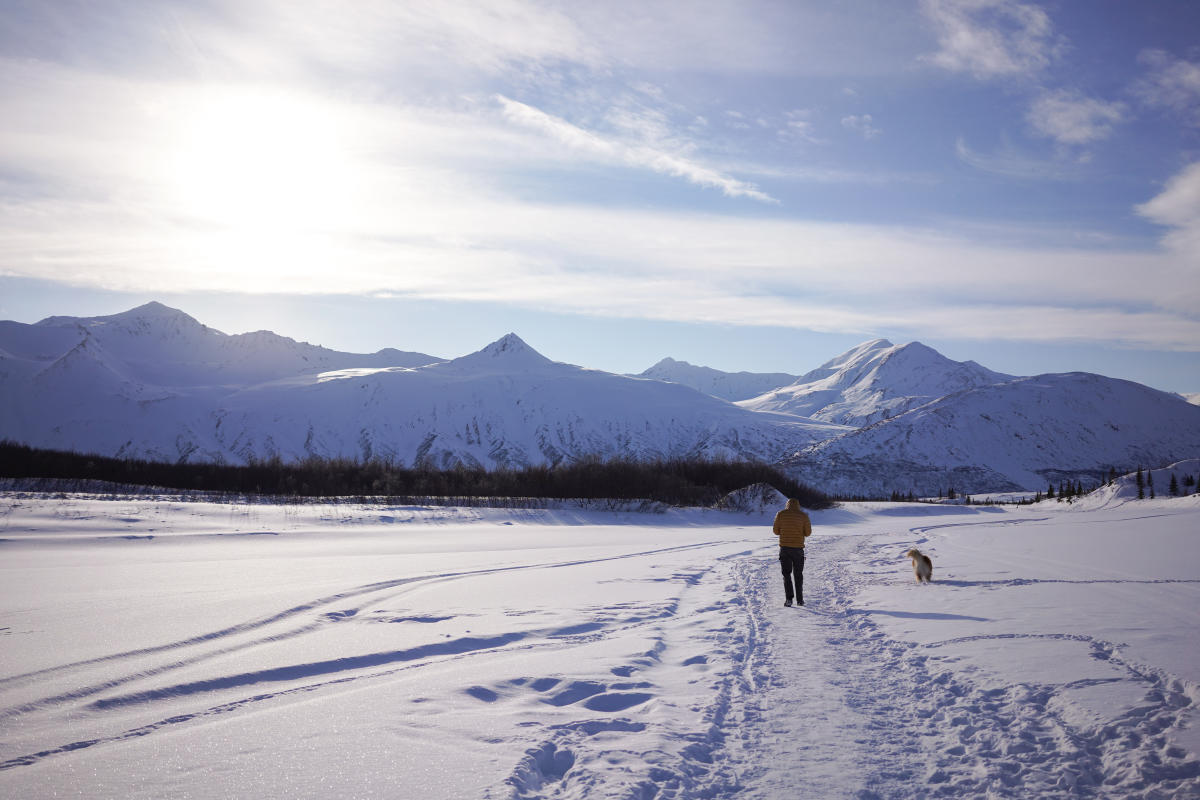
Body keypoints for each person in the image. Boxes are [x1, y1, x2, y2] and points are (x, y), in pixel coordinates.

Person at [773, 498, 811, 607]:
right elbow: (808, 533)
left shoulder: (780, 514)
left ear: (787, 505)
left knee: (786, 574)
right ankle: (800, 600)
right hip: (798, 549)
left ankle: (789, 599)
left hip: (785, 549)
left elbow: (775, 531)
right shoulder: (803, 516)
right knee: (798, 575)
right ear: (798, 505)